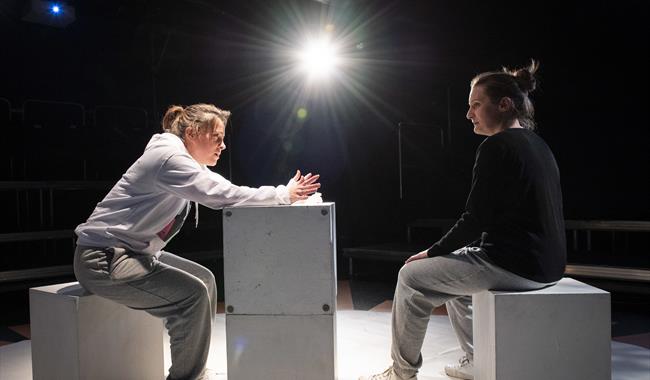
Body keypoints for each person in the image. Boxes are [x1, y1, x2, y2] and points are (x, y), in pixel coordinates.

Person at [73, 103, 321, 380]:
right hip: (103, 258)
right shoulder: (169, 159)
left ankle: (194, 367)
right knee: (192, 297)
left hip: (132, 253)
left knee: (205, 279)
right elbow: (222, 195)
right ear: (192, 132)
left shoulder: (181, 159)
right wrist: (282, 194)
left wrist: (281, 194)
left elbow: (226, 189)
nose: (223, 145)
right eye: (217, 137)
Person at [360, 60, 566, 380]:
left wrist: (431, 252)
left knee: (410, 278)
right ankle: (476, 360)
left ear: (504, 104)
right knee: (453, 276)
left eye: (476, 105)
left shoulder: (496, 146)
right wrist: (448, 252)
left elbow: (475, 218)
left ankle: (401, 374)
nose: (469, 114)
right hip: (548, 265)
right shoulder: (537, 145)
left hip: (515, 265)